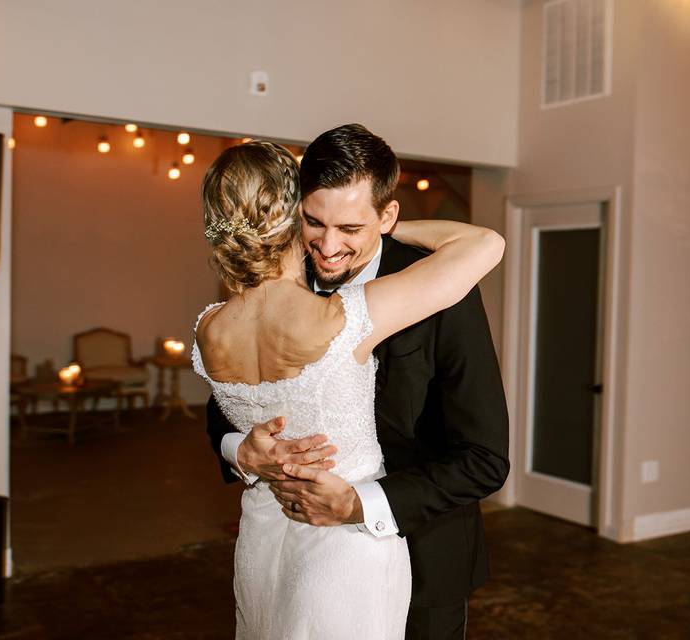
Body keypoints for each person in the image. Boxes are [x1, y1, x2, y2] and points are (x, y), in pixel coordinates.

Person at [199, 128, 507, 640]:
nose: (328, 245)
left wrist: (361, 506)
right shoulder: (271, 285)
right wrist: (241, 450)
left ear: (387, 216)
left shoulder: (443, 289)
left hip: (424, 556)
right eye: (313, 222)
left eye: (350, 226)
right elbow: (226, 406)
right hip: (282, 547)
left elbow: (485, 458)